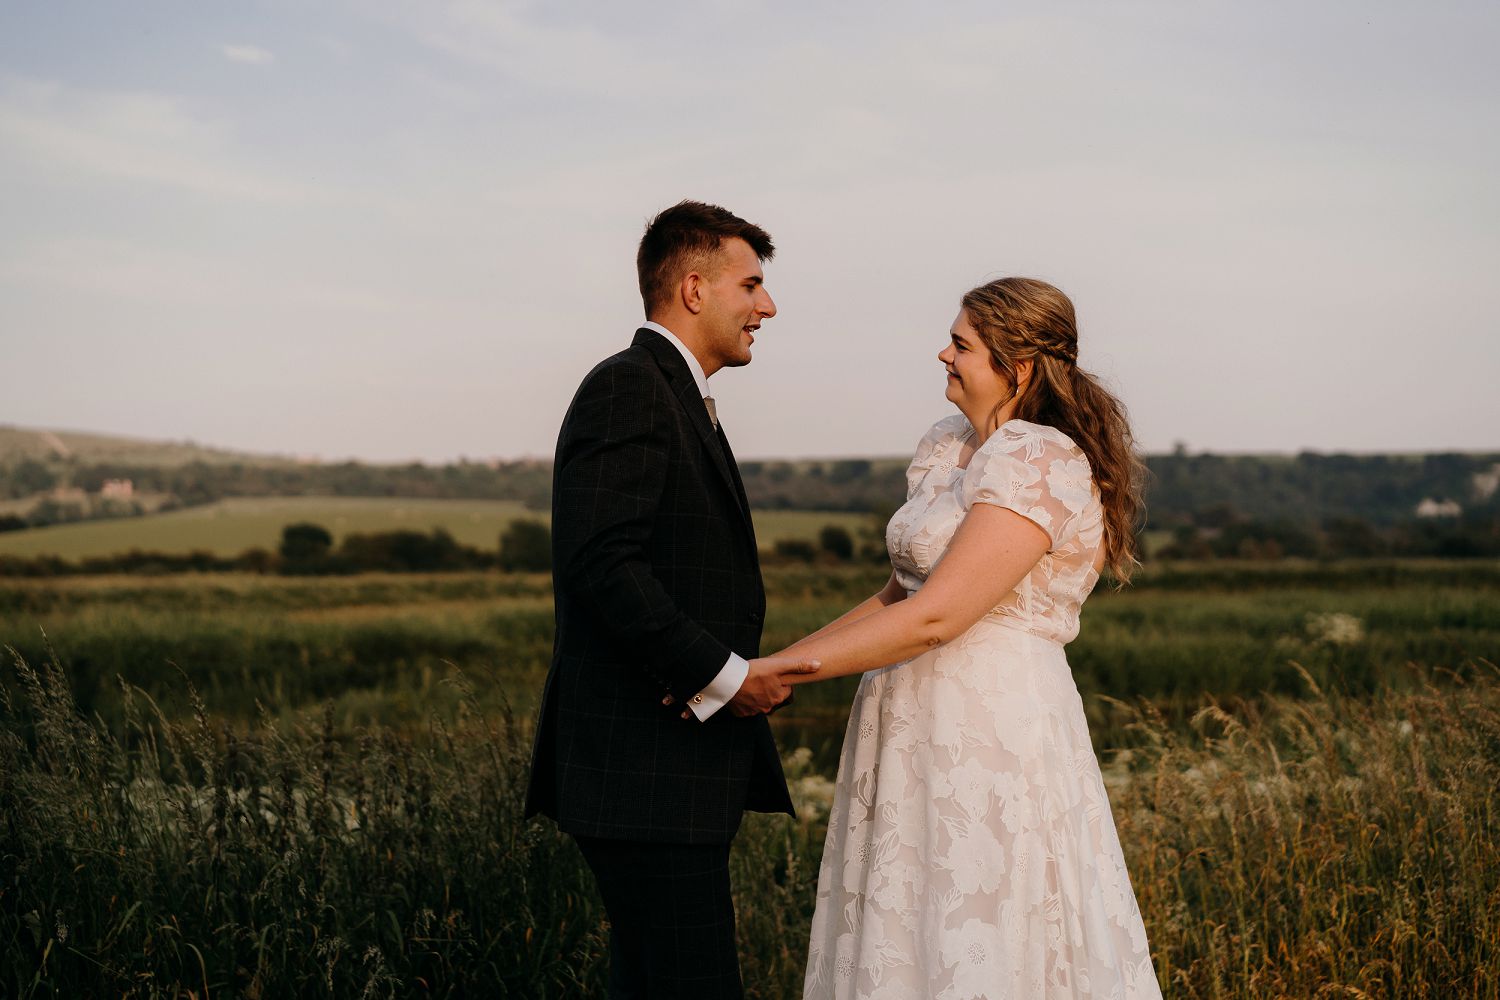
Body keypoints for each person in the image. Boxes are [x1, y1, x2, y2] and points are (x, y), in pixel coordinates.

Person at [788, 278, 1163, 998]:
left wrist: (788, 675)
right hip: (907, 721)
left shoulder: (1038, 457)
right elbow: (900, 598)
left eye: (961, 344)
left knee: (986, 916)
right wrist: (774, 667)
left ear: (1016, 367)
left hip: (989, 727)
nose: (944, 355)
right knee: (907, 923)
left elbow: (940, 618)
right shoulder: (950, 447)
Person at [524, 199, 819, 999]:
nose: (768, 306)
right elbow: (601, 563)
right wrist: (724, 675)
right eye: (752, 285)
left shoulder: (677, 396)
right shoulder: (629, 387)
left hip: (664, 772)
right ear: (694, 288)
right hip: (642, 771)